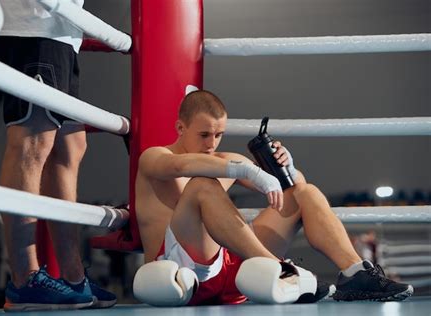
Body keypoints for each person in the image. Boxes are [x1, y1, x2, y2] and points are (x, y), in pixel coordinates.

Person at [133, 89, 413, 305]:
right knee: (203, 185)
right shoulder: (156, 157)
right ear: (181, 128)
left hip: (231, 272)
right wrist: (243, 170)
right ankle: (281, 270)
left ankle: (356, 275)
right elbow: (180, 167)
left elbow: (291, 191)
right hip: (181, 275)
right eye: (204, 134)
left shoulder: (226, 159)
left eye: (218, 135)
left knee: (306, 192)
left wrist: (287, 169)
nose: (212, 144)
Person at [0, 0, 116, 311]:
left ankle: (74, 278)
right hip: (33, 26)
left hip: (61, 30)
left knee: (70, 146)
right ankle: (24, 279)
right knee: (31, 141)